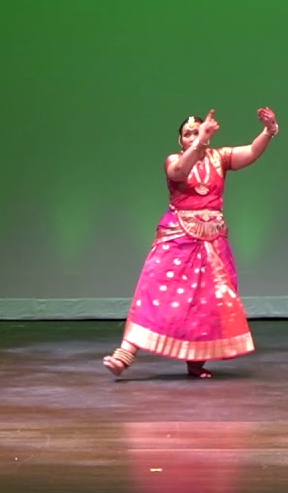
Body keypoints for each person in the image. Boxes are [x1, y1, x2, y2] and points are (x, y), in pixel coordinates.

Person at [103, 107, 278, 379]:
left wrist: (268, 131)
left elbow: (252, 152)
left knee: (210, 300)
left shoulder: (220, 158)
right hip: (177, 238)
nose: (194, 136)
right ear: (180, 140)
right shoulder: (174, 160)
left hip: (213, 241)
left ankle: (196, 362)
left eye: (198, 131)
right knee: (156, 291)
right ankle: (126, 352)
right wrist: (200, 141)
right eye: (188, 134)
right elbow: (179, 172)